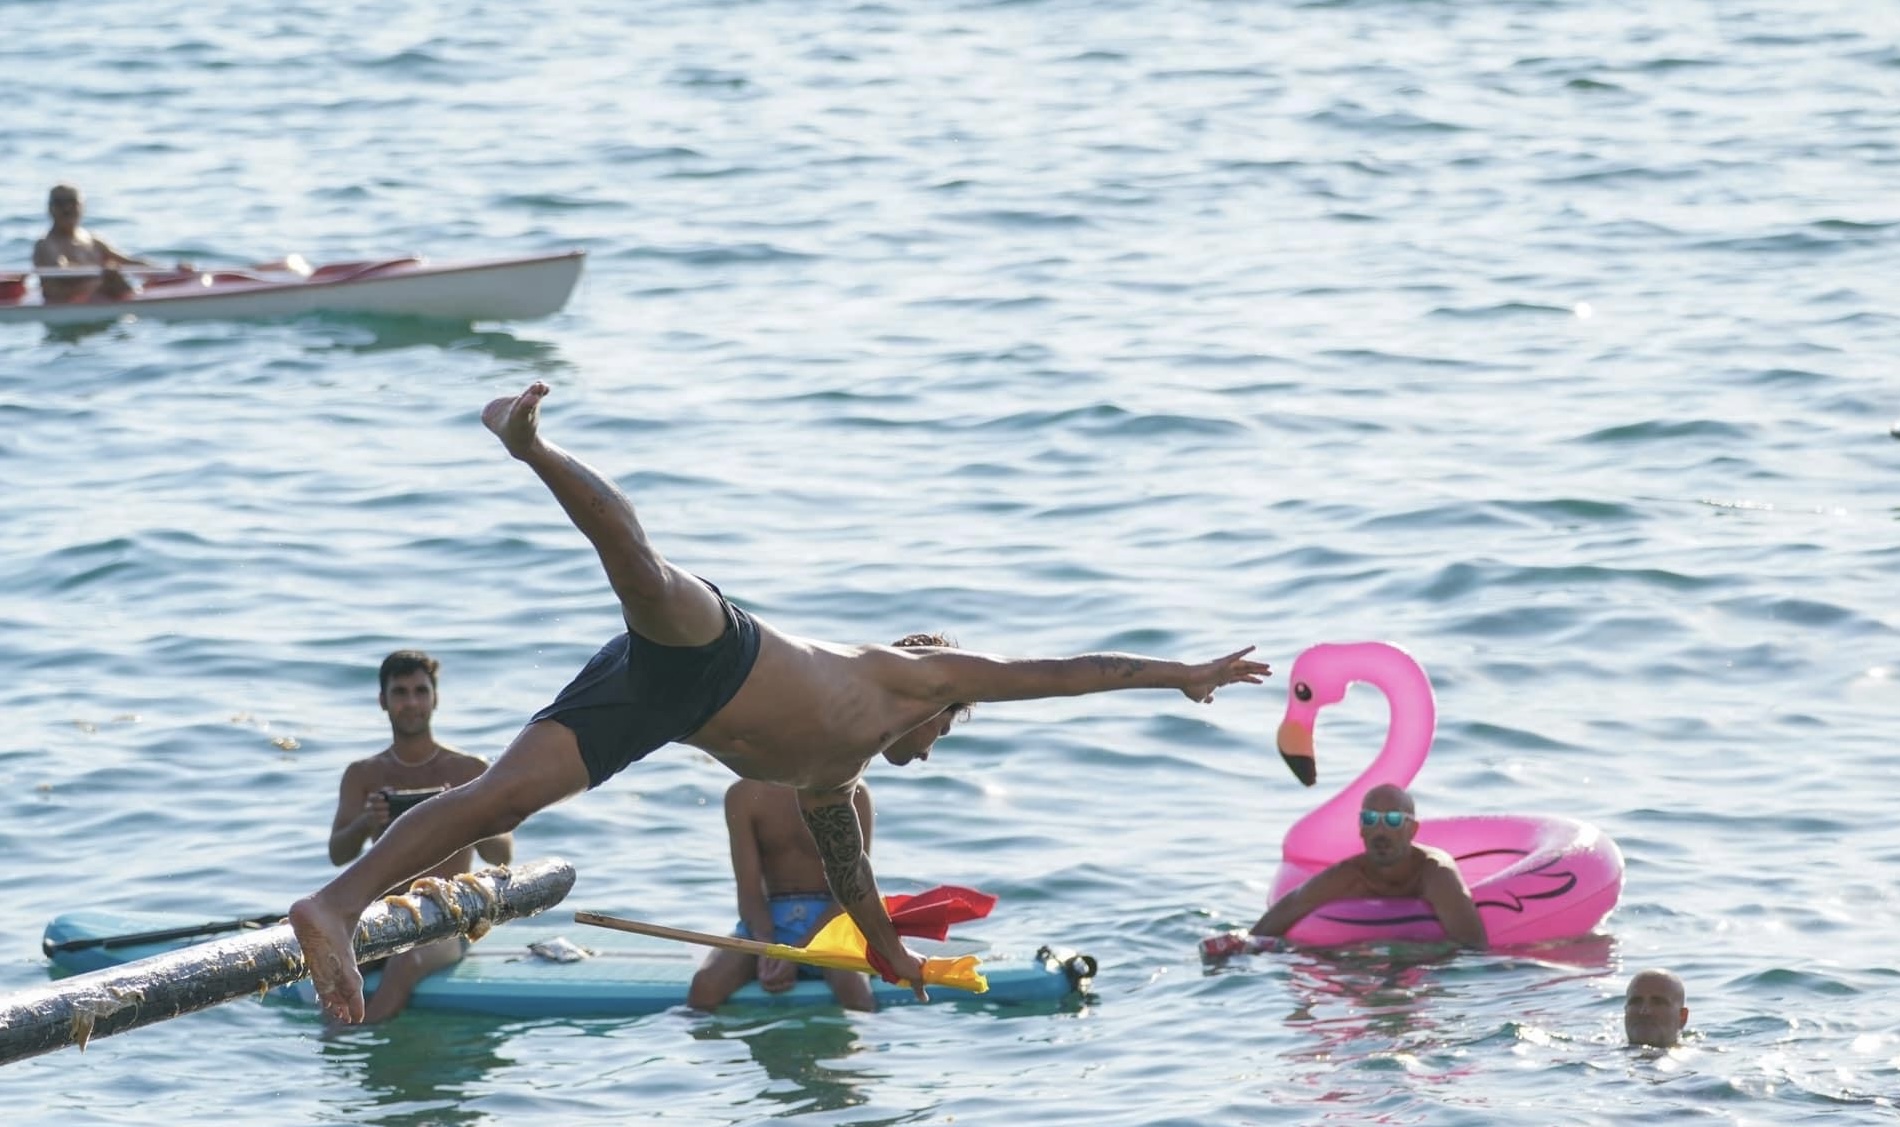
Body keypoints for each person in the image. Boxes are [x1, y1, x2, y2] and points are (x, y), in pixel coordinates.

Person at [291, 380, 1271, 1024]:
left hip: (646, 705)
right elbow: (1061, 673)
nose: (929, 753)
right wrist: (1180, 671)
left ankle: (331, 907)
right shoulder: (914, 678)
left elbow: (851, 880)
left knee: (503, 799)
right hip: (722, 644)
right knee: (636, 565)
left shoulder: (829, 780)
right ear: (938, 708)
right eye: (941, 740)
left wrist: (890, 953)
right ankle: (529, 443)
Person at [324, 650, 514, 1023]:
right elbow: (338, 853)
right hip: (383, 913)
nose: (411, 703)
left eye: (420, 691)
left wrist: (466, 812)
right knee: (333, 966)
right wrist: (366, 821)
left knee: (406, 960)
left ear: (435, 698)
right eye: (400, 692)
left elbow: (501, 852)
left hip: (450, 916)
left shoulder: (470, 770)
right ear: (383, 701)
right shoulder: (363, 774)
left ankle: (363, 1044)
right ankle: (334, 1055)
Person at [687, 777, 879, 1012]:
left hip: (835, 923)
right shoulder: (743, 794)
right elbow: (749, 894)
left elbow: (852, 892)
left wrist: (799, 951)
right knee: (704, 987)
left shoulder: (850, 789)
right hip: (769, 923)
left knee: (855, 993)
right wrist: (768, 948)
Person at [1246, 783, 1486, 949]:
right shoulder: (1349, 876)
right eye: (1370, 819)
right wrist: (1240, 945)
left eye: (1393, 820)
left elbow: (1472, 946)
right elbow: (1284, 912)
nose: (1380, 830)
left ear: (1412, 830)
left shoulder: (1435, 872)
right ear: (1361, 828)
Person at [30, 184, 158, 303]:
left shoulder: (92, 239)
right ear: (50, 208)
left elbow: (129, 262)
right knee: (112, 279)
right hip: (64, 301)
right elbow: (63, 273)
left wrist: (167, 271)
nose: (67, 208)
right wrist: (104, 273)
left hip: (97, 295)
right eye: (60, 203)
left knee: (114, 278)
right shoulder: (46, 244)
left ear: (82, 206)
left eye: (72, 202)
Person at [1624, 969, 1688, 1049]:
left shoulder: (1695, 1058)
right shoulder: (1605, 1055)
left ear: (1682, 1016)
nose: (1644, 1012)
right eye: (1636, 1002)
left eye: (1658, 1002)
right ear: (1626, 1010)